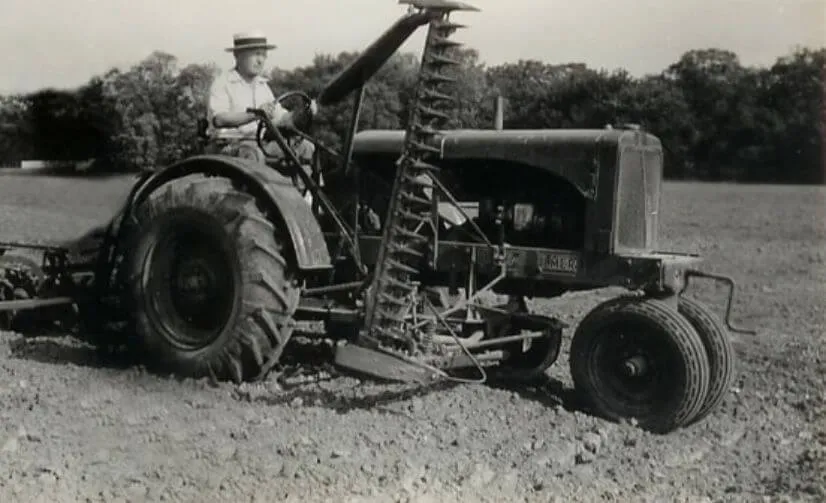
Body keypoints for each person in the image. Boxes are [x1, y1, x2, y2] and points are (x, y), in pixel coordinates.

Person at [206, 31, 319, 201]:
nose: (261, 60)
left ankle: (303, 201)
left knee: (306, 147)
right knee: (253, 153)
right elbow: (220, 119)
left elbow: (281, 119)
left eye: (263, 55)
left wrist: (304, 113)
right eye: (255, 54)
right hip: (228, 146)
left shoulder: (262, 86)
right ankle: (257, 206)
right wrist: (255, 114)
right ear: (238, 55)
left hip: (260, 142)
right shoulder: (223, 83)